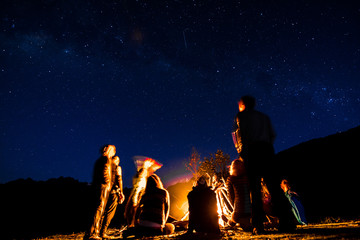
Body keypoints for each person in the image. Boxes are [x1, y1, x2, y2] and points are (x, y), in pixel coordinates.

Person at [232, 96, 295, 233]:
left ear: (242, 105)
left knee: (254, 190)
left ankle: (258, 225)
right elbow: (273, 135)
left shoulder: (242, 116)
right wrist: (266, 147)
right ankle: (287, 222)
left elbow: (241, 135)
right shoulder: (264, 117)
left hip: (252, 152)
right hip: (267, 152)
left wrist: (243, 152)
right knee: (274, 188)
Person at [86, 145, 125, 240]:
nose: (106, 149)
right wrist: (108, 185)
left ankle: (95, 233)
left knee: (100, 210)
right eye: (108, 148)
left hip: (103, 187)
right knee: (99, 209)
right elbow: (106, 175)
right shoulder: (105, 159)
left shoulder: (104, 160)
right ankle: (92, 234)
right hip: (103, 187)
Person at [226, 159, 252, 231]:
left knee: (235, 217)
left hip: (238, 210)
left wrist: (233, 206)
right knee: (244, 221)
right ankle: (238, 223)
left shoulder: (230, 179)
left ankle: (230, 223)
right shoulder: (247, 178)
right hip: (249, 209)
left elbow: (231, 196)